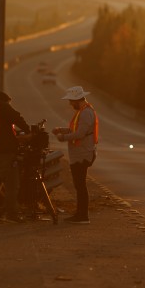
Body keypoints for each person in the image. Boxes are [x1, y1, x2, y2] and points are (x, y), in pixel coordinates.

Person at [0, 91, 31, 224]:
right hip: (5, 156)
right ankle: (11, 215)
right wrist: (28, 131)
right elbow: (16, 117)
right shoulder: (2, 106)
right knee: (12, 186)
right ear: (4, 101)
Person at [51, 86, 98, 224]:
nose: (70, 104)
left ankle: (83, 216)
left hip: (83, 154)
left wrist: (63, 137)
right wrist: (62, 130)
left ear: (77, 100)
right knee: (79, 185)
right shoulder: (82, 112)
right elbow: (75, 129)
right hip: (79, 153)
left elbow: (80, 134)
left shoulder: (85, 113)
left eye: (71, 101)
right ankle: (80, 213)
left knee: (80, 185)